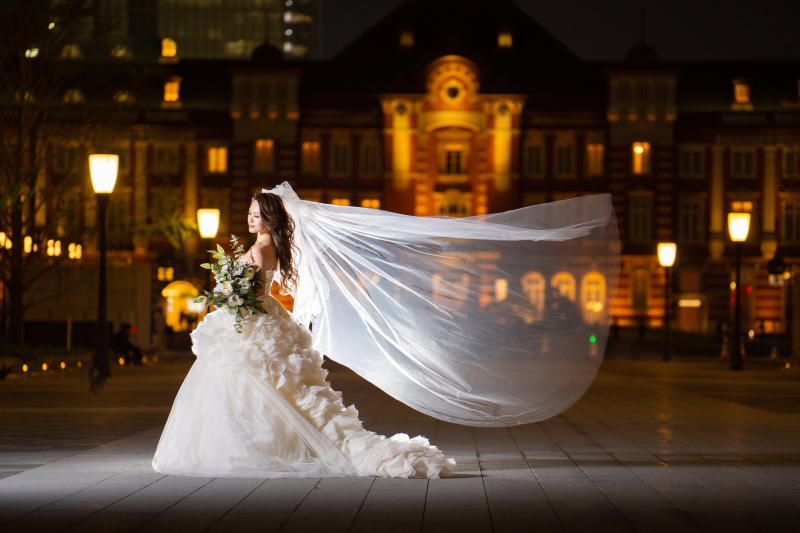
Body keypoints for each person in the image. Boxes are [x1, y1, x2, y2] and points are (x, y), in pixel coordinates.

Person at [152, 192, 455, 478]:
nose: (250, 219)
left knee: (249, 376)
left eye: (256, 215)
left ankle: (248, 444)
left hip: (252, 317)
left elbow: (253, 291)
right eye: (249, 213)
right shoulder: (271, 248)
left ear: (269, 218)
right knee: (273, 381)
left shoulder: (258, 250)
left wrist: (228, 291)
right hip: (264, 314)